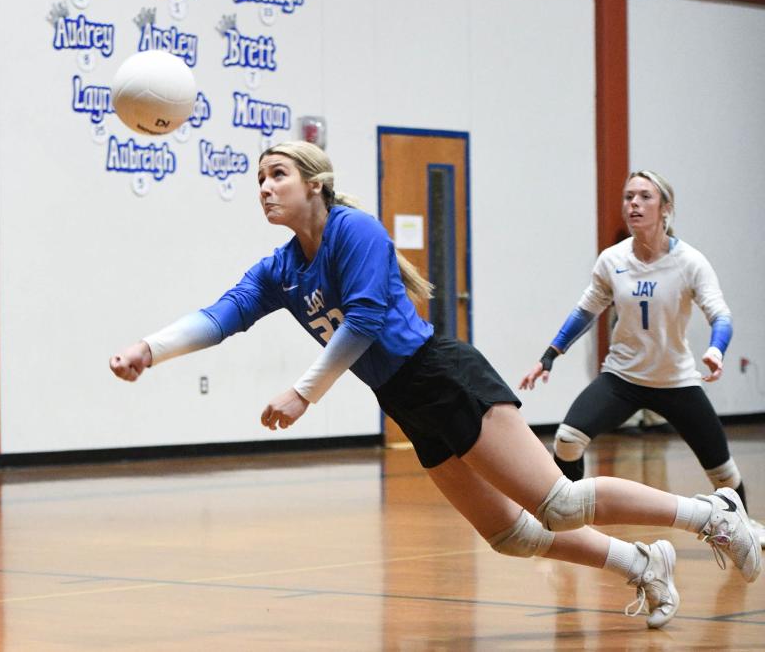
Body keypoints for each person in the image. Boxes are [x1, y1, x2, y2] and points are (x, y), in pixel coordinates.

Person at [110, 143, 761, 629]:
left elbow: (365, 319)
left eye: (277, 173)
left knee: (559, 502)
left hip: (443, 375)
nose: (264, 187)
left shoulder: (352, 230)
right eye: (258, 178)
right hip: (405, 401)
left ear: (316, 184)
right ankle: (641, 563)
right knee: (512, 535)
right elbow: (220, 316)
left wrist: (305, 391)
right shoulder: (280, 268)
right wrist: (150, 348)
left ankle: (715, 518)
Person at [519, 170, 764, 547]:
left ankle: (744, 533)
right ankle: (567, 525)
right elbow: (586, 311)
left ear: (666, 208)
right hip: (622, 379)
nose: (633, 204)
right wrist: (550, 355)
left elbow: (721, 315)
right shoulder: (612, 260)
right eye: (628, 197)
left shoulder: (690, 262)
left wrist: (716, 349)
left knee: (722, 472)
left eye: (644, 197)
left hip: (676, 382)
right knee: (567, 439)